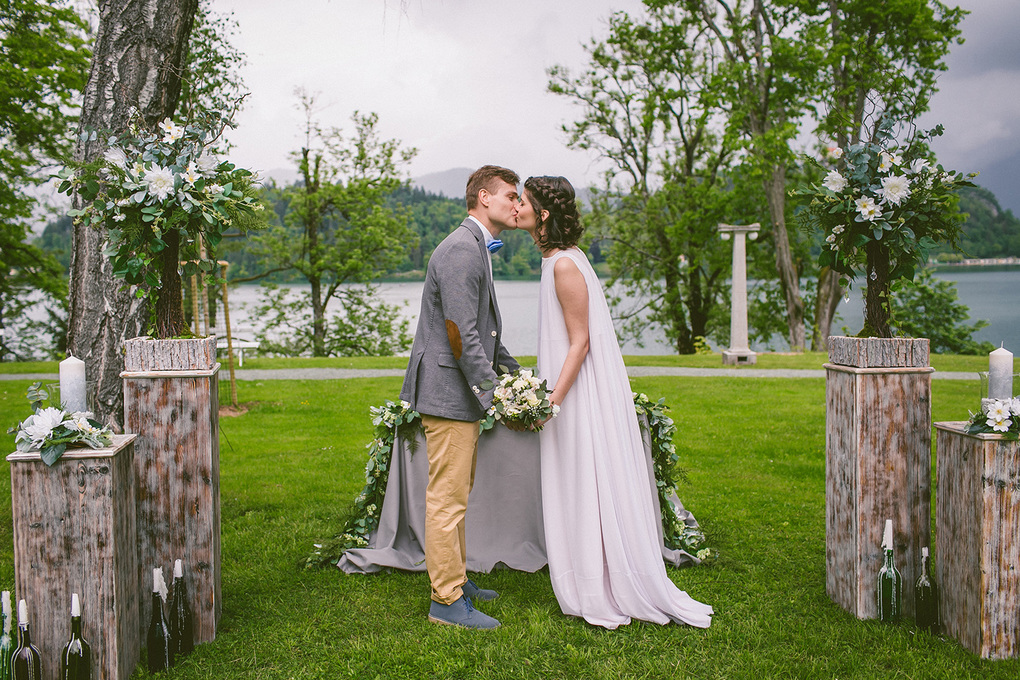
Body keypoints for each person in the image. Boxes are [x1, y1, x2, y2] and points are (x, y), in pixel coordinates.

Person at [516, 175, 714, 630]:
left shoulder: (565, 265)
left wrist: (551, 401)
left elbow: (580, 342)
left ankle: (602, 581)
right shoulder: (554, 260)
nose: (516, 207)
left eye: (523, 201)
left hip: (575, 392)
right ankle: (589, 573)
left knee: (585, 476)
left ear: (542, 214)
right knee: (577, 478)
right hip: (565, 386)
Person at [399, 165, 523, 630]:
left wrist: (518, 376)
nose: (518, 205)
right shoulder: (460, 250)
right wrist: (495, 394)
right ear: (484, 197)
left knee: (456, 495)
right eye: (511, 196)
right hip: (448, 393)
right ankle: (446, 601)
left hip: (457, 392)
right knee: (446, 500)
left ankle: (457, 578)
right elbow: (460, 334)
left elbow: (484, 335)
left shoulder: (474, 247)